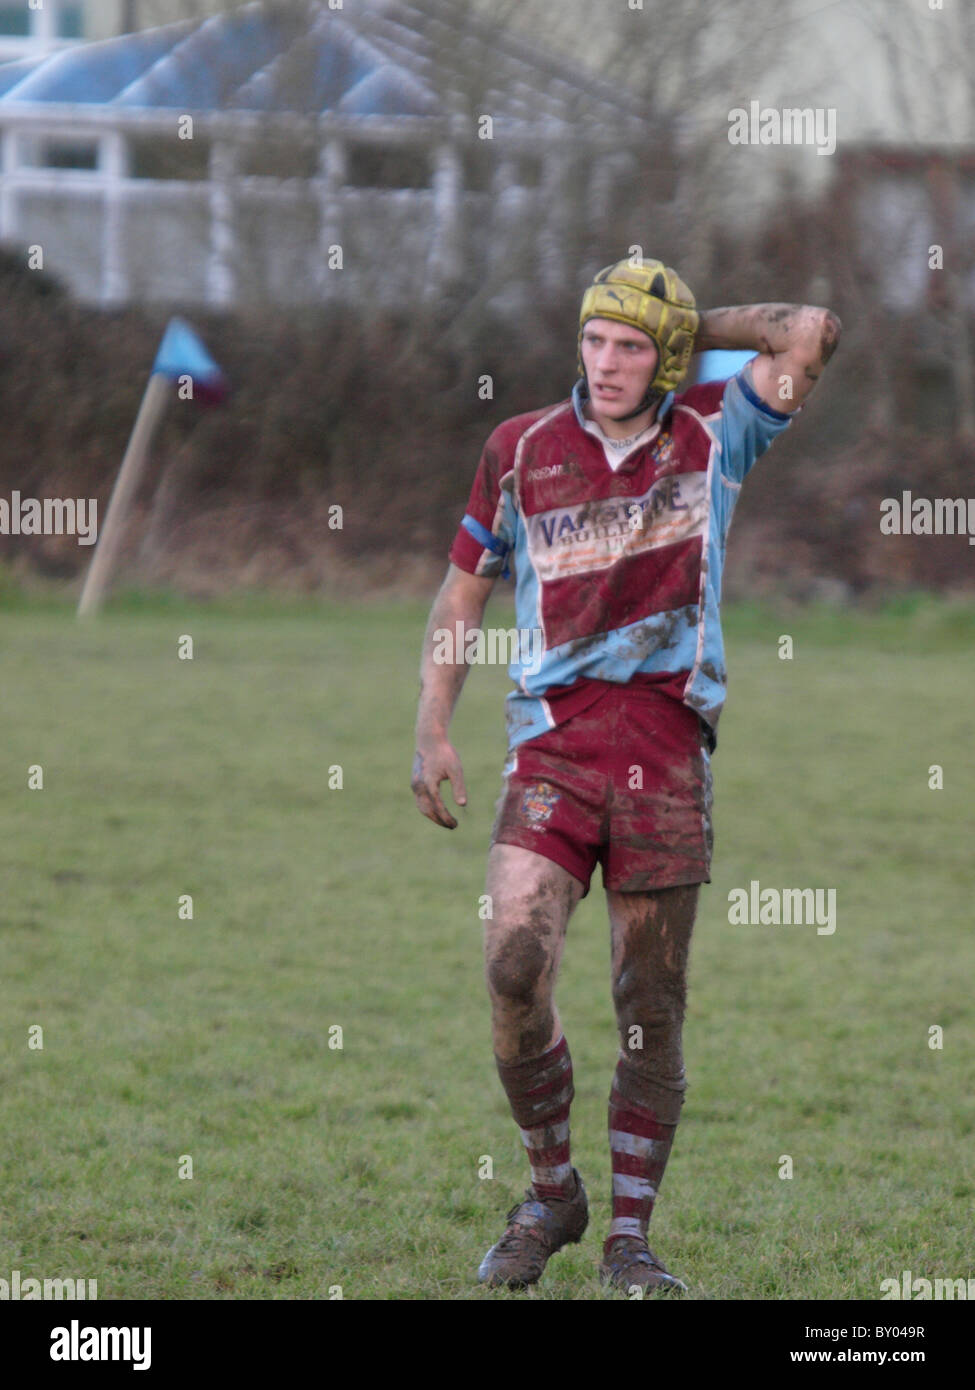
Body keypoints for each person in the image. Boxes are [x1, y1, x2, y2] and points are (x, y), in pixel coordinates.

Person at [411, 258, 841, 1293]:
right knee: (514, 961)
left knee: (651, 999)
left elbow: (812, 330)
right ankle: (553, 1191)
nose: (608, 362)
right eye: (597, 340)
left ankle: (630, 1242)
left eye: (634, 345)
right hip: (555, 741)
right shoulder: (518, 449)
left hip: (665, 748)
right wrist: (432, 726)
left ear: (670, 356)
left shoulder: (713, 429)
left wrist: (699, 321)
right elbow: (462, 598)